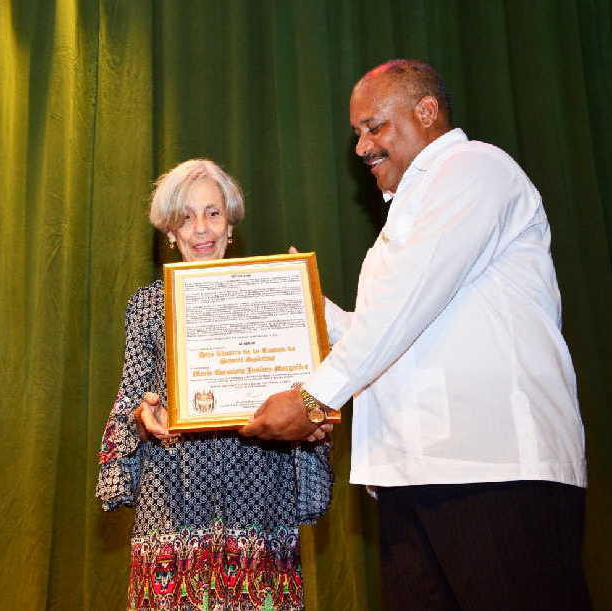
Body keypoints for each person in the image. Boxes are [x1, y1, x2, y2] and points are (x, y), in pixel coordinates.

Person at [241, 60, 590, 610]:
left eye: (373, 126)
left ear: (426, 113)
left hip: (495, 472)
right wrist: (308, 304)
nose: (361, 147)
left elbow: (407, 303)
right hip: (414, 479)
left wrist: (312, 399)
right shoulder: (400, 226)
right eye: (357, 133)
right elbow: (395, 334)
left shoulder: (475, 168)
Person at [96, 159, 333, 611]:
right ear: (169, 231)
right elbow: (131, 395)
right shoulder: (146, 308)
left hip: (260, 493)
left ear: (230, 226)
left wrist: (310, 418)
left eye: (212, 213)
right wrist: (144, 415)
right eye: (186, 217)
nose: (200, 228)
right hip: (173, 498)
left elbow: (303, 390)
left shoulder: (271, 293)